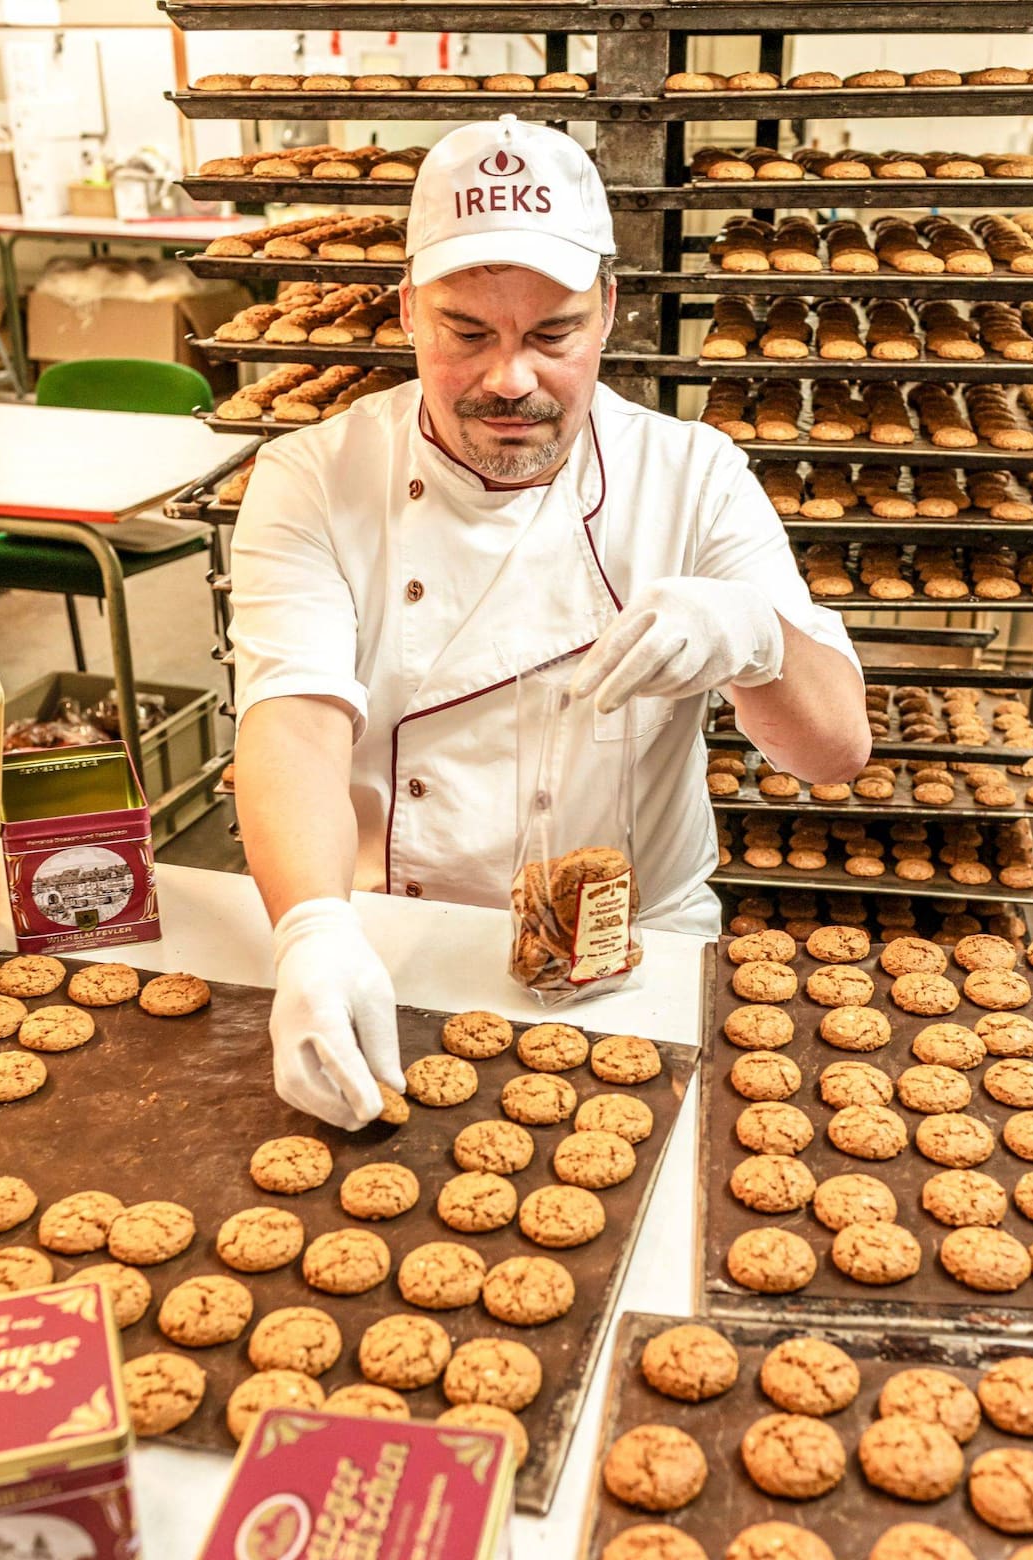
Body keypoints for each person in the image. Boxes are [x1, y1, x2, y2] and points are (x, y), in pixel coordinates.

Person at [230, 114, 871, 1130]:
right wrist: (311, 929)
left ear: (609, 311)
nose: (510, 381)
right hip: (393, 942)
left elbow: (834, 750)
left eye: (552, 335)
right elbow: (293, 721)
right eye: (467, 333)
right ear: (408, 311)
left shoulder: (692, 478)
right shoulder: (312, 478)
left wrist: (752, 635)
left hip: (635, 961)